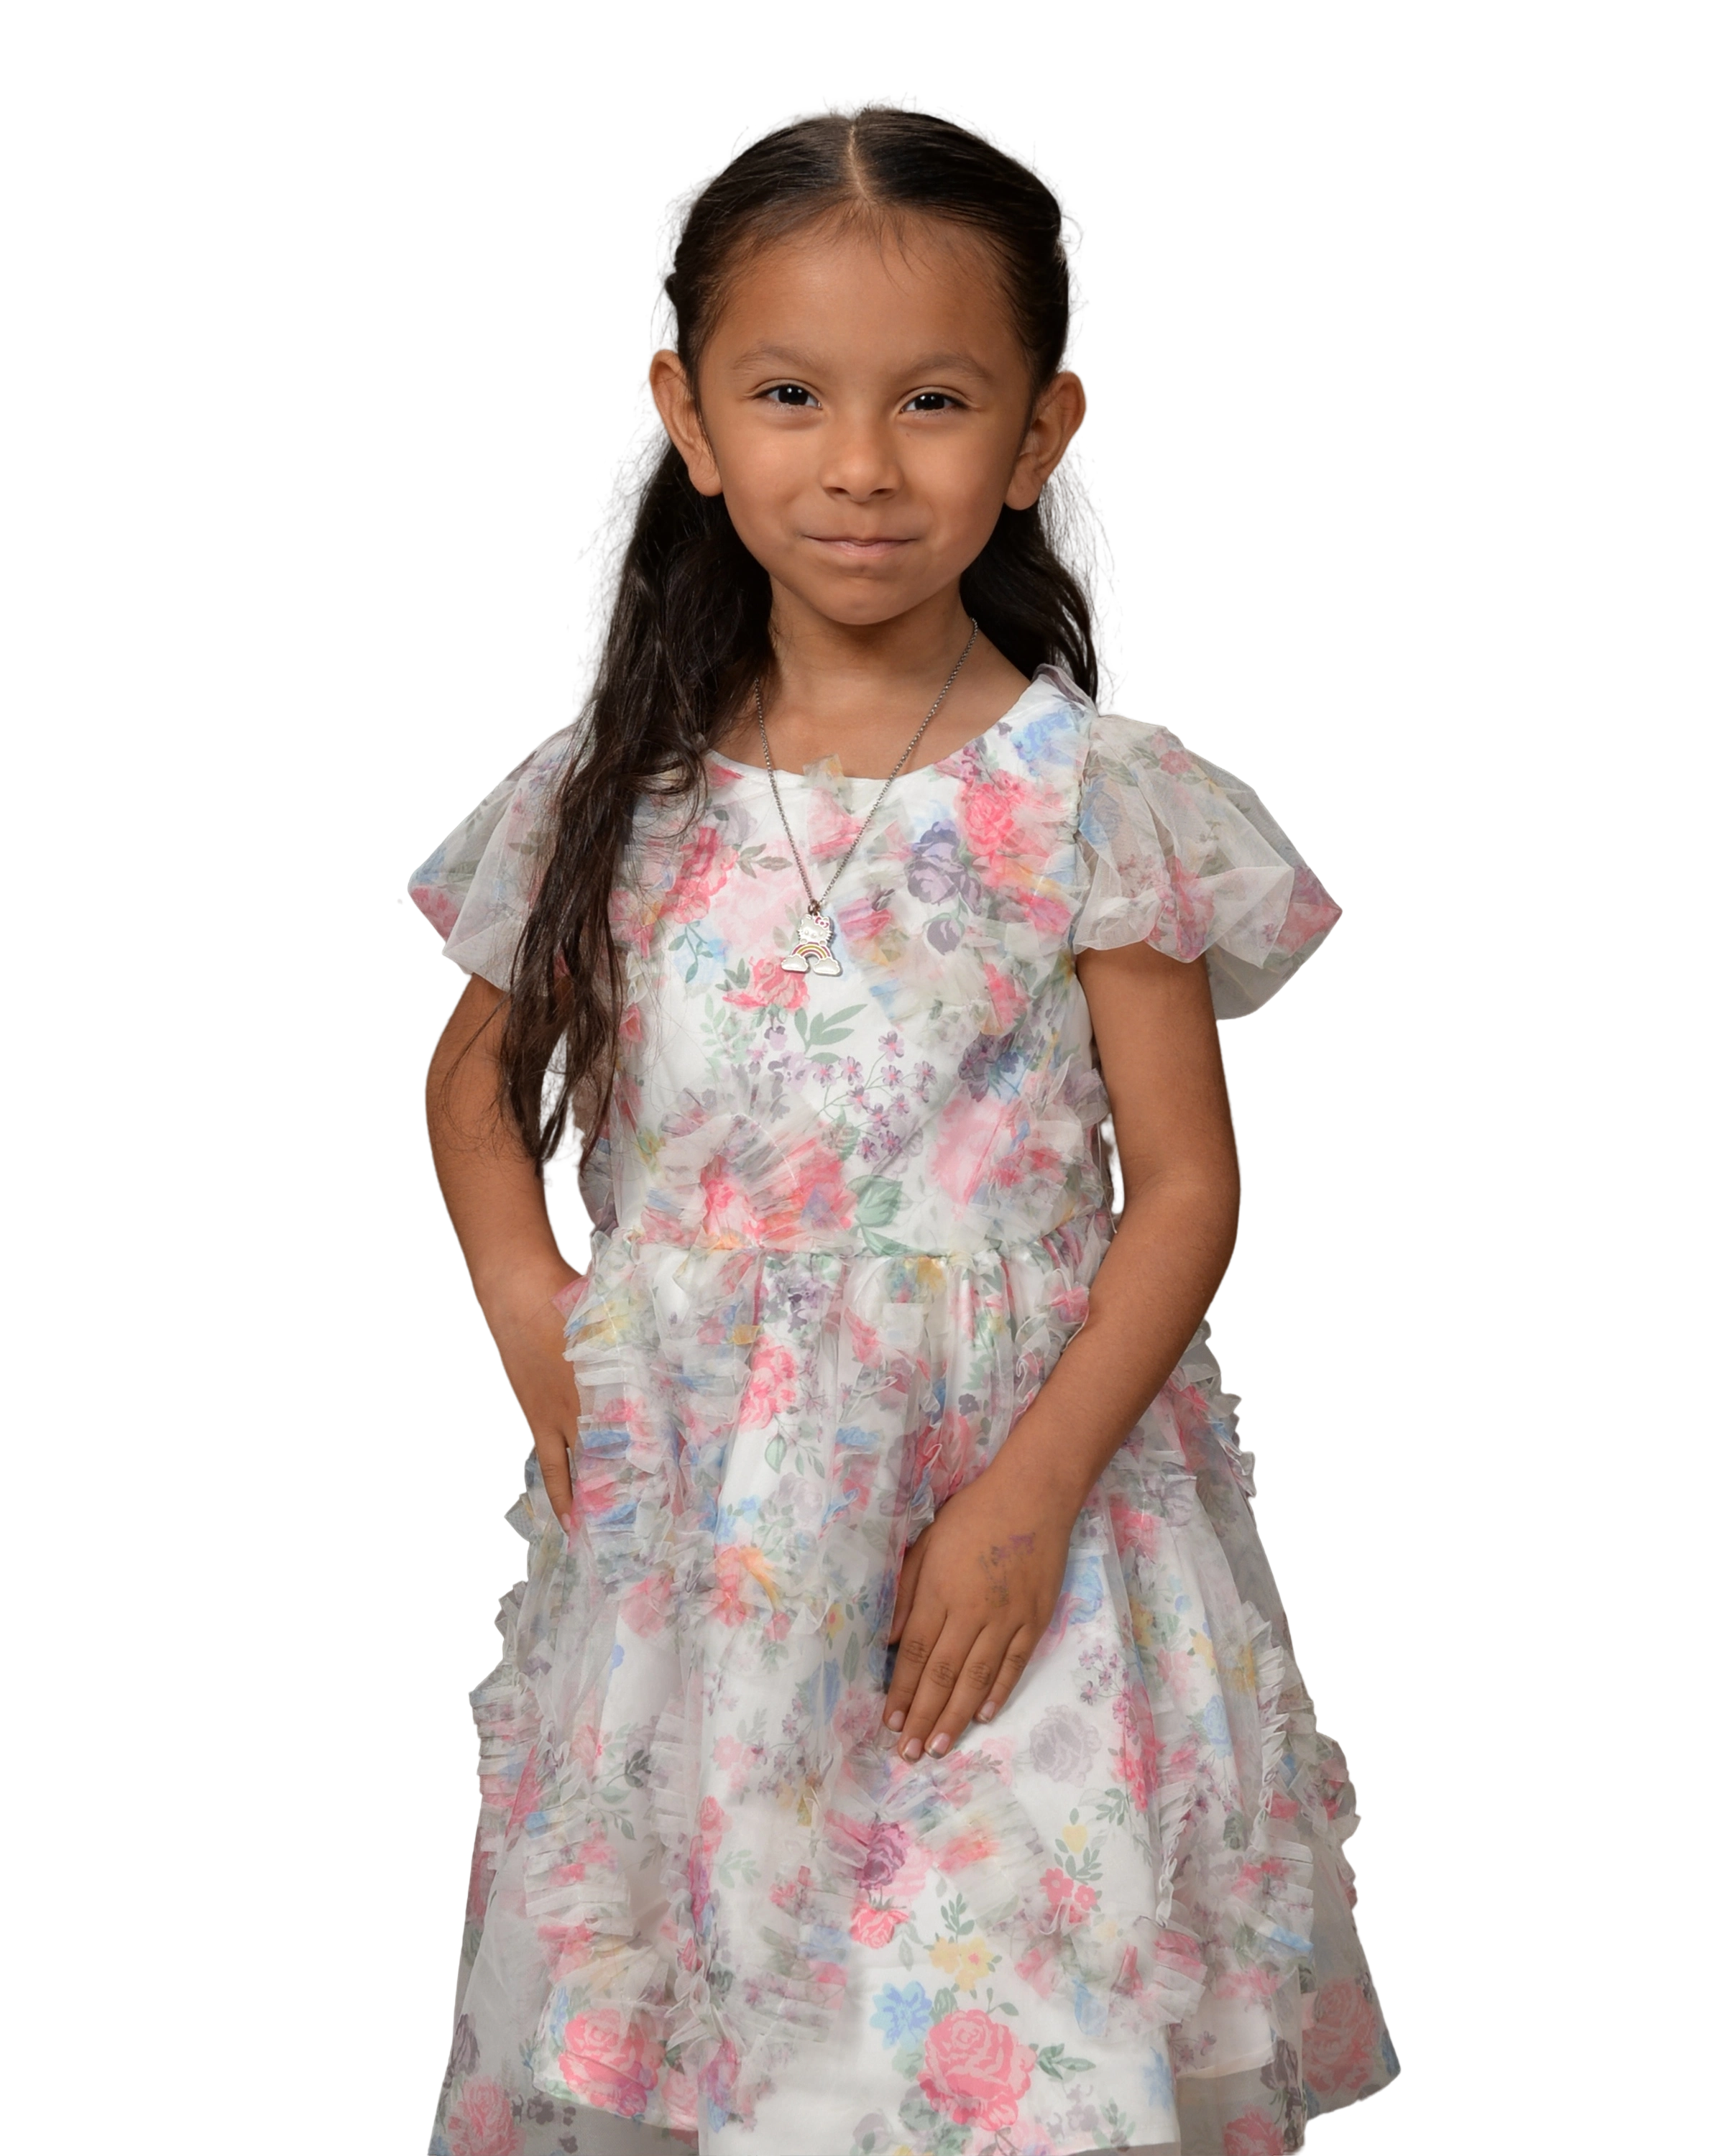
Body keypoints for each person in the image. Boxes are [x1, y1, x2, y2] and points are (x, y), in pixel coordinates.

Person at [399, 90, 1403, 2156]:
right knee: (739, 2033)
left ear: (1041, 435)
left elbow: (1185, 1187)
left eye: (935, 400)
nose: (861, 461)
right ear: (688, 417)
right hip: (712, 1544)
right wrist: (533, 1313)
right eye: (792, 395)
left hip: (1021, 1529)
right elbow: (478, 1088)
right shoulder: (608, 793)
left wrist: (1031, 1500)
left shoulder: (1094, 795)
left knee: (1021, 2020)